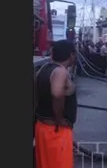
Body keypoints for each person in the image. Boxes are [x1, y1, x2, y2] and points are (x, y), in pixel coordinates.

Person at [34, 40, 77, 168]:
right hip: (55, 131)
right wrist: (59, 120)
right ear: (71, 55)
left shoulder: (44, 69)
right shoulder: (60, 72)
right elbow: (57, 94)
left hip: (42, 127)